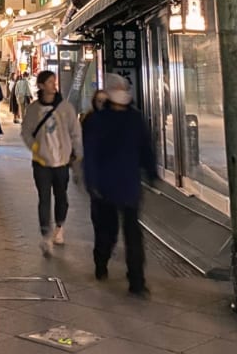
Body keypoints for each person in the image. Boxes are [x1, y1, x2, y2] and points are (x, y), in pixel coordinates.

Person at [82, 72, 157, 296]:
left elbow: (91, 154)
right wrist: (151, 173)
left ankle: (103, 264)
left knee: (109, 230)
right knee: (130, 232)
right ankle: (136, 280)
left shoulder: (98, 120)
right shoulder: (135, 119)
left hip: (106, 185)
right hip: (127, 184)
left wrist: (91, 181)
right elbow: (146, 149)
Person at [21, 70, 83, 257]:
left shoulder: (65, 108)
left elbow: (75, 132)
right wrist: (36, 148)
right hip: (41, 162)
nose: (53, 85)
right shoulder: (33, 109)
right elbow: (26, 132)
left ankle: (59, 226)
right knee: (44, 198)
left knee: (61, 196)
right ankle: (46, 235)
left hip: (62, 161)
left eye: (54, 81)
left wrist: (78, 155)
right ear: (40, 86)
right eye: (49, 82)